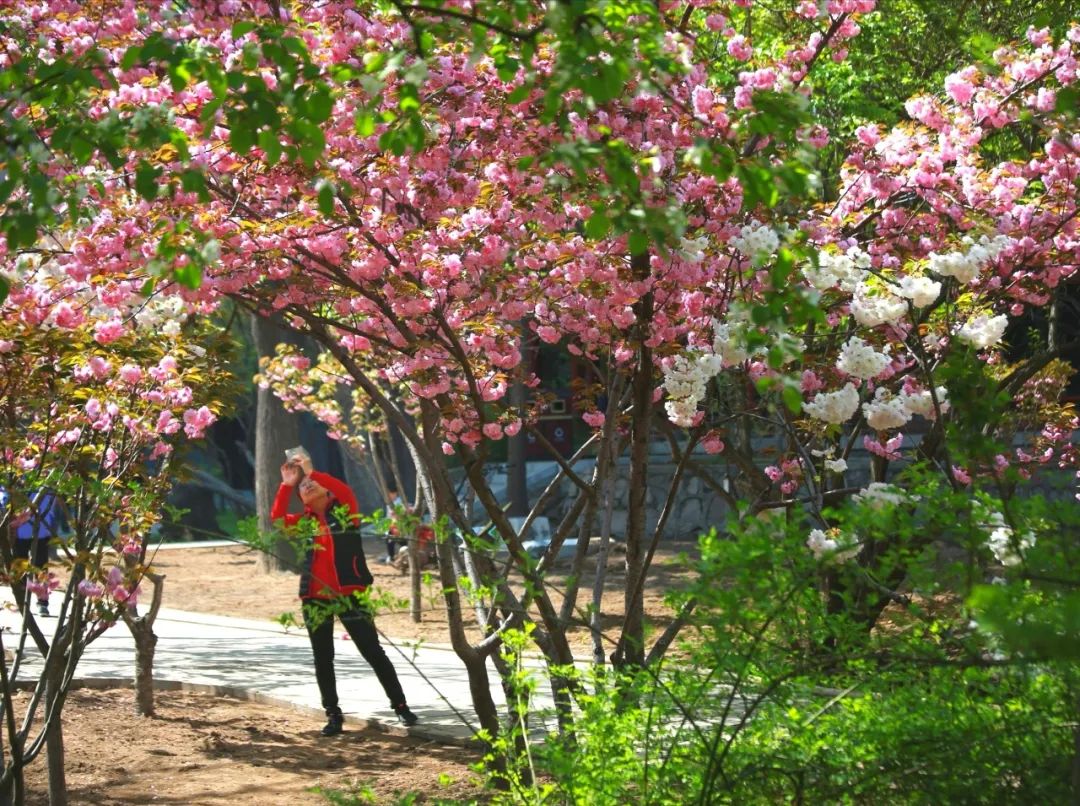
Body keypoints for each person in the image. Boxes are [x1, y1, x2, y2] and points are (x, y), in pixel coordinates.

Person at [271, 453, 418, 736]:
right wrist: (287, 485)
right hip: (315, 597)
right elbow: (277, 520)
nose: (308, 486)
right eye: (304, 487)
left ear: (327, 490)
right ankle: (333, 715)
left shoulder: (345, 512)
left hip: (349, 593)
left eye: (312, 484)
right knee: (323, 657)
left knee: (373, 652)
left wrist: (311, 471)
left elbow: (344, 490)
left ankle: (401, 707)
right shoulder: (305, 522)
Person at [10, 489, 62, 617]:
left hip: (40, 531)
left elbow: (49, 503)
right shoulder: (19, 480)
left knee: (40, 566)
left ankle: (42, 602)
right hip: (20, 532)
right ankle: (21, 600)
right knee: (19, 567)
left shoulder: (46, 484)